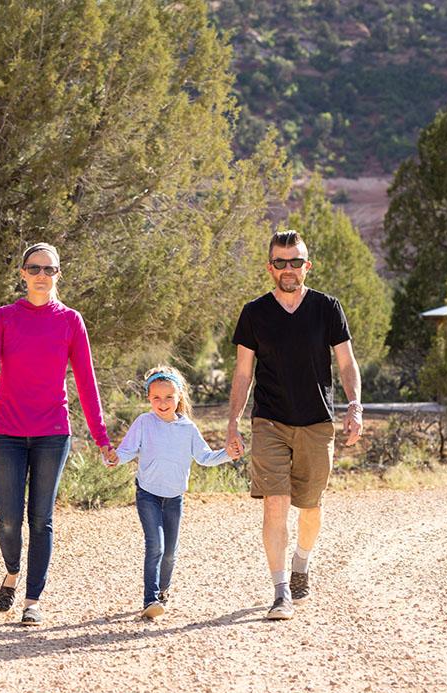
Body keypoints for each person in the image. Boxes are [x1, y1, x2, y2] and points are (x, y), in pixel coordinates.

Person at [0, 242, 115, 626]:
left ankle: (32, 600)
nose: (42, 276)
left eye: (49, 270)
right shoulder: (4, 317)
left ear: (58, 275)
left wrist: (101, 436)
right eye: (35, 269)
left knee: (42, 518)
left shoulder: (70, 320)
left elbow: (86, 381)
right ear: (22, 274)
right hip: (9, 431)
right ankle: (12, 572)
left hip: (53, 432)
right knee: (8, 519)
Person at [226, 230, 363, 621]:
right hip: (269, 420)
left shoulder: (327, 308)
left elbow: (347, 363)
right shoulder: (254, 313)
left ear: (308, 265)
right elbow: (242, 373)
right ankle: (280, 590)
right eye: (281, 262)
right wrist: (233, 422)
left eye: (296, 262)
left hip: (317, 423)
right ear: (270, 267)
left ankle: (302, 561)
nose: (289, 269)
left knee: (310, 506)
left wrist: (355, 405)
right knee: (275, 502)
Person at [107, 366, 232, 619]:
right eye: (156, 398)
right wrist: (113, 458)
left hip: (174, 498)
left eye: (168, 397)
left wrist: (229, 453)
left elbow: (205, 457)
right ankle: (150, 599)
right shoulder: (144, 422)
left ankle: (163, 592)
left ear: (179, 397)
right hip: (148, 495)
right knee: (156, 545)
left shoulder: (188, 428)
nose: (162, 403)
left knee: (170, 552)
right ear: (148, 398)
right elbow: (127, 451)